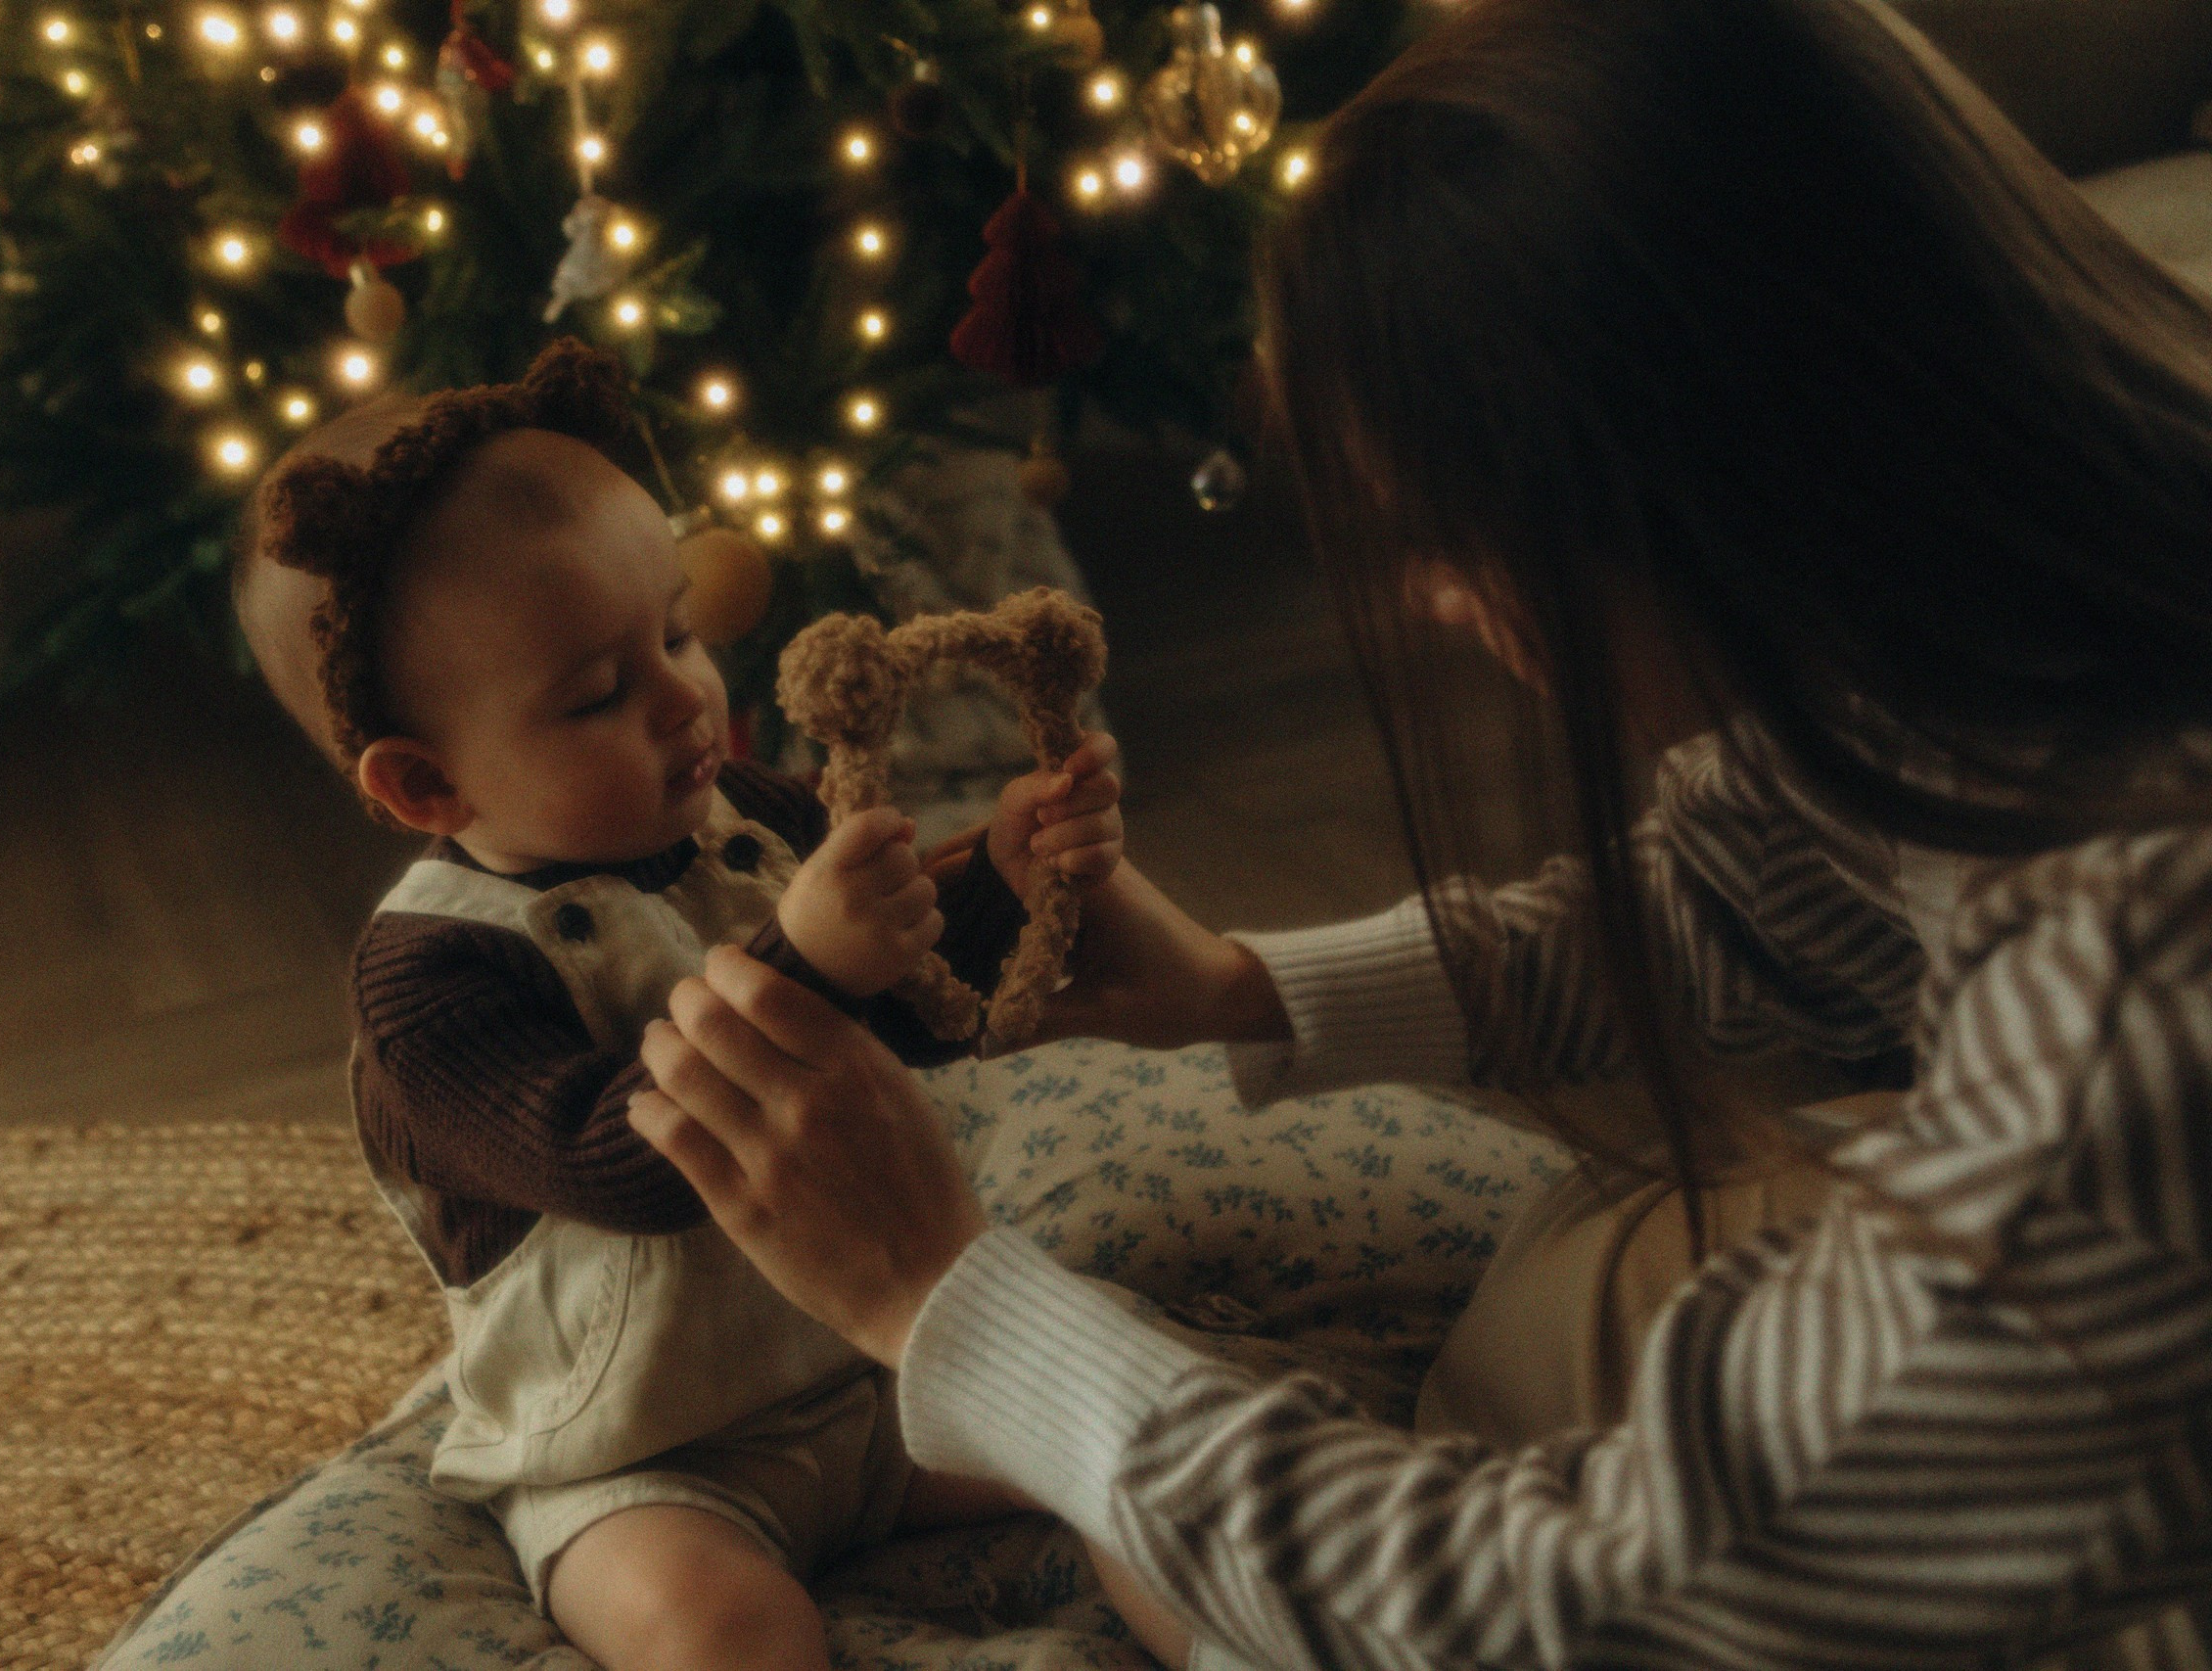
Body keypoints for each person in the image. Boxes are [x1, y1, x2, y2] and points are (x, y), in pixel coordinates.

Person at [622, 0, 2212, 1666]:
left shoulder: (2133, 989)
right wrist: (1247, 986)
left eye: (1454, 535)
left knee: (1272, 1600)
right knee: (1561, 1281)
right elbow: (1771, 903)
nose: (1440, 603)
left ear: (1708, 476)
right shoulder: (1991, 620)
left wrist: (942, 1296)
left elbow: (1586, 1603)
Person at [229, 339, 1133, 1671]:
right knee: (725, 1634)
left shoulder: (747, 823)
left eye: (677, 632)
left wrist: (998, 880)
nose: (686, 700)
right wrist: (810, 963)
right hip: (642, 1459)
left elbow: (915, 1015)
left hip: (865, 1363)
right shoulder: (428, 981)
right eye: (601, 693)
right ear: (428, 787)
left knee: (1124, 1442)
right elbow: (630, 1158)